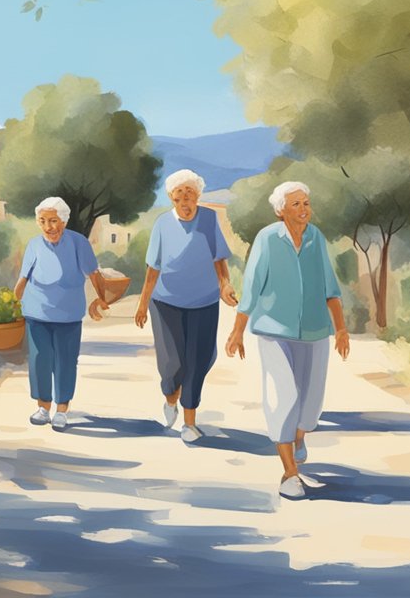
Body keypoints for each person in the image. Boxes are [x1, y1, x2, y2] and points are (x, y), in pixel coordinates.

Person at [224, 181, 350, 499]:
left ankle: (298, 436)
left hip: (315, 330)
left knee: (311, 401)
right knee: (284, 396)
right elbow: (252, 286)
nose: (304, 209)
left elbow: (330, 285)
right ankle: (289, 473)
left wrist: (342, 328)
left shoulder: (316, 238)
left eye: (306, 203)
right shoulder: (267, 238)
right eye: (296, 204)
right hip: (273, 330)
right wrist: (238, 330)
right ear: (281, 210)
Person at [135, 169, 238, 443]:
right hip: (166, 302)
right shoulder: (161, 224)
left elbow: (219, 259)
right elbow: (152, 268)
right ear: (171, 198)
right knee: (172, 363)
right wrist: (143, 303)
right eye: (179, 194)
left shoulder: (208, 219)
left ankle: (189, 422)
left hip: (204, 301)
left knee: (198, 360)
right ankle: (171, 397)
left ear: (198, 196)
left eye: (190, 193)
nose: (185, 199)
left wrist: (224, 285)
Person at [15, 196, 110, 430]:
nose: (49, 227)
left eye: (54, 220)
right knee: (39, 360)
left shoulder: (78, 242)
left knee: (66, 362)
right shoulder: (34, 245)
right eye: (43, 221)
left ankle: (62, 410)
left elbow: (94, 273)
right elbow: (24, 278)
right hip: (37, 312)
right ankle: (43, 407)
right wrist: (12, 300)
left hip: (68, 313)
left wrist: (102, 298)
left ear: (64, 221)